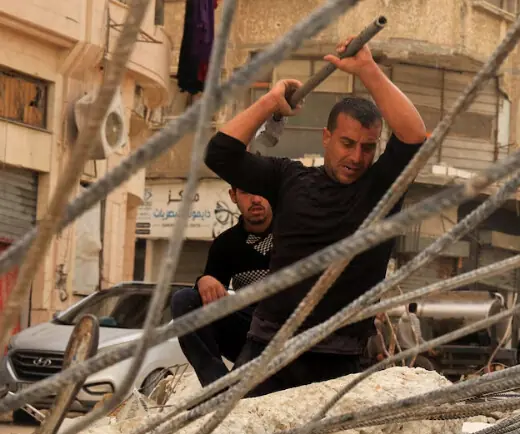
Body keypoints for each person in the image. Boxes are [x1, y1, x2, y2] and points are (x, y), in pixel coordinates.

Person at [204, 36, 426, 396]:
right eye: (347, 143)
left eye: (368, 147)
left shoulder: (382, 188)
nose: (356, 157)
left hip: (338, 357)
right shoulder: (289, 178)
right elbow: (220, 154)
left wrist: (368, 70)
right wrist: (268, 103)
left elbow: (414, 135)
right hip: (269, 349)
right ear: (326, 137)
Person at [171, 186, 274, 387]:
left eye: (263, 189)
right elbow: (210, 298)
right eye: (246, 192)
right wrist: (205, 280)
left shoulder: (295, 232)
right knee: (184, 300)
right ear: (233, 196)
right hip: (249, 329)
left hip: (291, 329)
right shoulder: (226, 244)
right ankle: (217, 388)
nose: (256, 198)